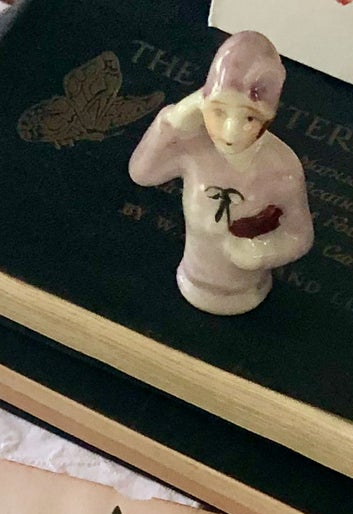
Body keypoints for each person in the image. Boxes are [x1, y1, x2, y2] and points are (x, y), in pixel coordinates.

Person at [127, 30, 314, 314]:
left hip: (246, 289)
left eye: (249, 117)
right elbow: (143, 173)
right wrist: (175, 119)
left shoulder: (282, 169)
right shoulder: (194, 149)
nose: (230, 132)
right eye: (218, 112)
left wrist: (261, 251)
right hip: (191, 276)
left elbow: (299, 236)